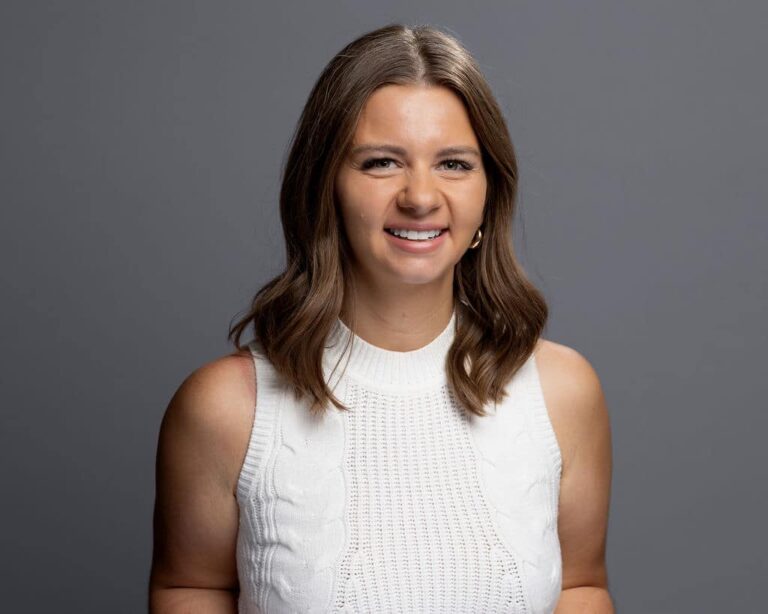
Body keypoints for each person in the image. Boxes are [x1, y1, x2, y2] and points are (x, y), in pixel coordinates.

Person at [149, 23, 614, 614]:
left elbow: (580, 586)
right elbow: (192, 587)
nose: (421, 197)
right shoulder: (225, 409)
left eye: (453, 164)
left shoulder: (563, 392)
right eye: (381, 163)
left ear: (489, 193)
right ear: (324, 186)